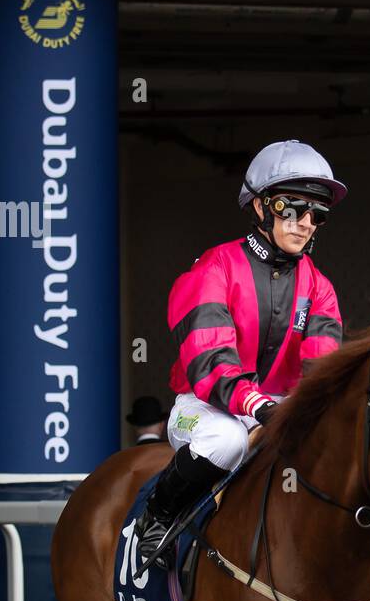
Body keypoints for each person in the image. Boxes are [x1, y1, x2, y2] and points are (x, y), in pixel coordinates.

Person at [132, 140, 346, 573]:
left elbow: (321, 372)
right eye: (294, 208)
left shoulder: (319, 286)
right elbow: (210, 362)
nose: (305, 224)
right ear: (263, 206)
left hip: (280, 408)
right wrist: (258, 406)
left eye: (317, 215)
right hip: (206, 408)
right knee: (227, 440)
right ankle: (156, 517)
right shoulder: (214, 268)